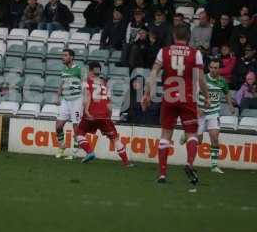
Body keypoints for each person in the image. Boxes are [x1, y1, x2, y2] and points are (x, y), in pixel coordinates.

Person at [141, 24, 210, 185]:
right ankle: (189, 163)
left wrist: (146, 93)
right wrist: (206, 96)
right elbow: (200, 78)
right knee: (192, 134)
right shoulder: (196, 53)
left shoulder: (163, 51)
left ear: (173, 36)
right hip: (188, 98)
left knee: (165, 135)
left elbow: (153, 74)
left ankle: (163, 174)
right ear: (189, 37)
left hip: (169, 97)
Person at [76, 61, 134, 167]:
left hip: (92, 113)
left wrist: (87, 111)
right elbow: (109, 103)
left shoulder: (86, 81)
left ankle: (90, 152)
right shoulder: (105, 84)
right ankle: (126, 162)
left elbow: (87, 96)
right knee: (115, 138)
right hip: (105, 115)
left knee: (79, 133)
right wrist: (109, 116)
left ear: (90, 70)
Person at [195, 58, 235, 174]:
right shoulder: (202, 80)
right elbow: (192, 95)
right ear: (208, 68)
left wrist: (230, 105)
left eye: (216, 68)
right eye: (211, 67)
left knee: (215, 137)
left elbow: (226, 93)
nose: (213, 70)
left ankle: (214, 165)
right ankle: (187, 135)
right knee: (199, 142)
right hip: (201, 113)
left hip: (213, 113)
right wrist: (197, 108)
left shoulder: (222, 82)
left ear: (219, 69)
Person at [55, 49, 82, 159]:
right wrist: (57, 97)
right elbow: (61, 84)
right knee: (58, 126)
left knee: (76, 126)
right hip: (65, 100)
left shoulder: (79, 70)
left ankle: (75, 152)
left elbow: (85, 84)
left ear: (72, 57)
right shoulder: (64, 70)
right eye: (62, 55)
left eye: (65, 55)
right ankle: (62, 146)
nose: (63, 57)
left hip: (76, 100)